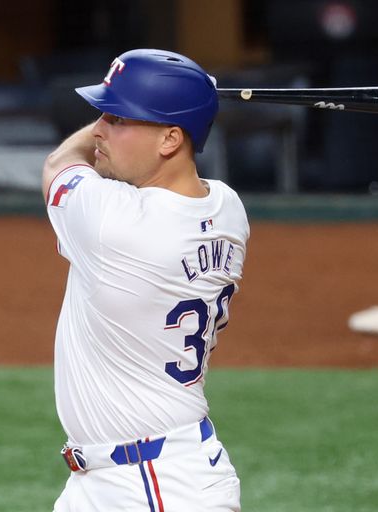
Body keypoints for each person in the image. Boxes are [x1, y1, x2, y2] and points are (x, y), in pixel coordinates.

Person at [42, 48, 250, 512]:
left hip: (152, 488)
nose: (98, 129)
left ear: (170, 139)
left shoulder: (112, 224)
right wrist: (189, 106)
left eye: (117, 118)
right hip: (152, 473)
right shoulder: (227, 209)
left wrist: (192, 99)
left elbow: (60, 163)